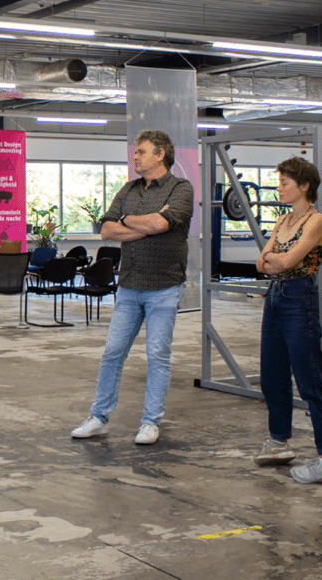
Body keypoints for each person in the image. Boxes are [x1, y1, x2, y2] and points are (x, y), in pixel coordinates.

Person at [71, 129, 193, 445]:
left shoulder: (180, 188)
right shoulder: (128, 189)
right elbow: (106, 231)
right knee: (112, 352)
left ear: (160, 154)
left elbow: (162, 224)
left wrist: (129, 221)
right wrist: (142, 223)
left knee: (157, 355)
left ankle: (151, 422)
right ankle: (99, 418)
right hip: (129, 286)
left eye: (141, 151)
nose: (135, 156)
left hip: (165, 287)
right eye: (135, 151)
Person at [253, 157, 322, 483]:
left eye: (285, 183)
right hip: (275, 296)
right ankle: (278, 441)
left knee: (310, 380)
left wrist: (273, 259)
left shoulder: (317, 221)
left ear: (304, 185)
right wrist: (273, 261)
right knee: (272, 375)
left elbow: (287, 260)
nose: (279, 188)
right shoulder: (283, 220)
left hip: (299, 300)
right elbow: (261, 263)